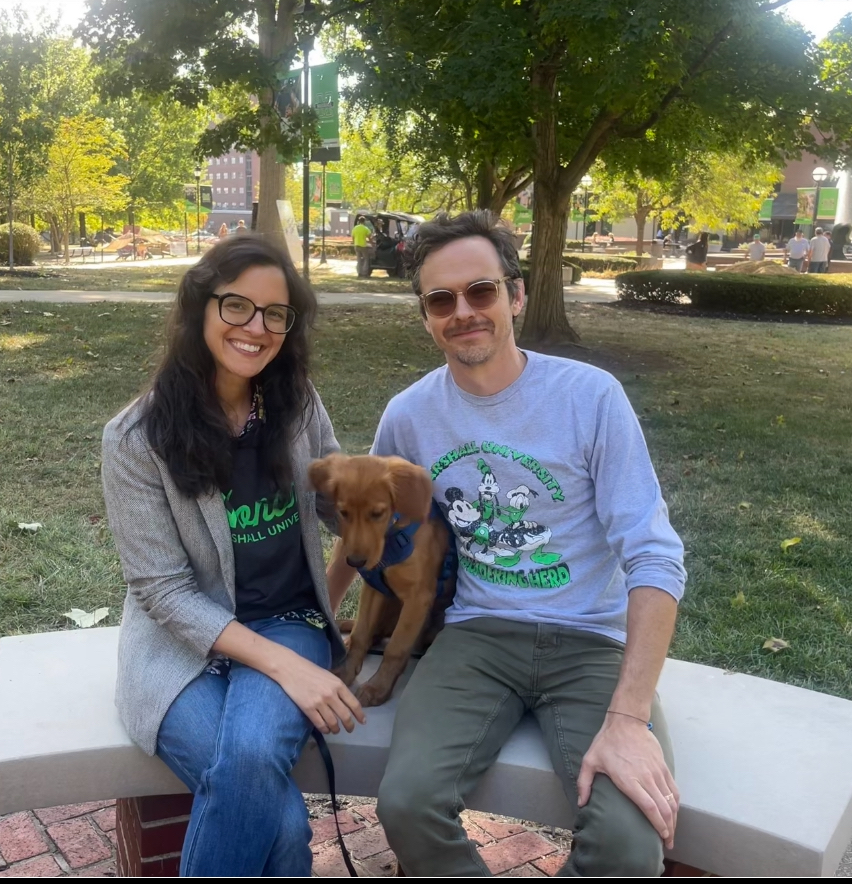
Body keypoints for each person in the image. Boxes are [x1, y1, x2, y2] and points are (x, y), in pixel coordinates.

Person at [326, 210, 686, 876]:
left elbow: (653, 553)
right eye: (441, 300)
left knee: (629, 846)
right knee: (407, 804)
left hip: (590, 644)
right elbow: (368, 532)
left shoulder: (589, 397)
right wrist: (329, 622)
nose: (463, 311)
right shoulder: (410, 415)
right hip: (475, 637)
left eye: (481, 291)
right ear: (427, 317)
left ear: (515, 295)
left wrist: (630, 719)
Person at [101, 236, 364, 876]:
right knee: (280, 823)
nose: (257, 328)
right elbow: (161, 593)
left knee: (247, 765)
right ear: (200, 307)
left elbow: (343, 512)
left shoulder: (296, 405)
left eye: (276, 313)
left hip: (289, 622)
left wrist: (390, 515)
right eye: (237, 306)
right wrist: (287, 671)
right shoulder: (136, 439)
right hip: (182, 645)